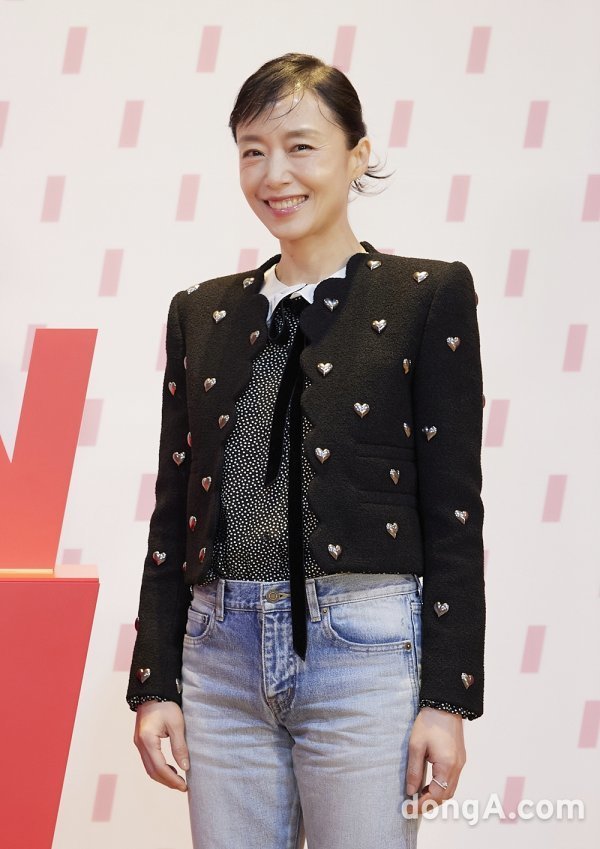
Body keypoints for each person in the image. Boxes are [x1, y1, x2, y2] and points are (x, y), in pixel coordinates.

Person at [127, 52, 486, 849]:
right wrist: (155, 681)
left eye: (300, 146)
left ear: (358, 154)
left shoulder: (425, 295)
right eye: (252, 151)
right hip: (219, 656)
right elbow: (175, 506)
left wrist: (447, 699)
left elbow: (456, 515)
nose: (273, 175)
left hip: (364, 655)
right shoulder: (202, 312)